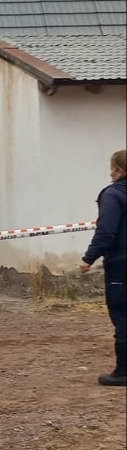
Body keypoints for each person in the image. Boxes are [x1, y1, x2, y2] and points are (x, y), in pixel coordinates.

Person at [81, 149, 127, 387]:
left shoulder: (113, 194)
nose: (110, 173)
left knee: (122, 315)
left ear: (119, 171)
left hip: (121, 263)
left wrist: (89, 258)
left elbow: (106, 231)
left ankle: (123, 371)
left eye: (112, 169)